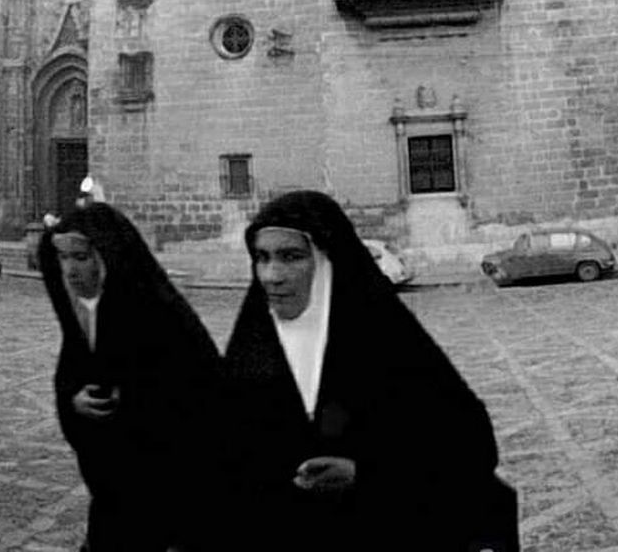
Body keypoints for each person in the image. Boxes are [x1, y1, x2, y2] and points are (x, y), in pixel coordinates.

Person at [220, 190, 517, 552]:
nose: (272, 275)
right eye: (262, 258)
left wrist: (367, 476)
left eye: (291, 257)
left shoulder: (387, 345)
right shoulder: (248, 352)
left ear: (327, 263)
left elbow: (469, 449)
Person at [38, 203, 222, 552]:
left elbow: (198, 393)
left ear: (107, 256)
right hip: (113, 488)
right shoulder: (81, 312)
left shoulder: (162, 314)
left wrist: (135, 399)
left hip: (166, 483)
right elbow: (72, 375)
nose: (70, 270)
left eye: (80, 257)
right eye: (62, 258)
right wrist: (73, 400)